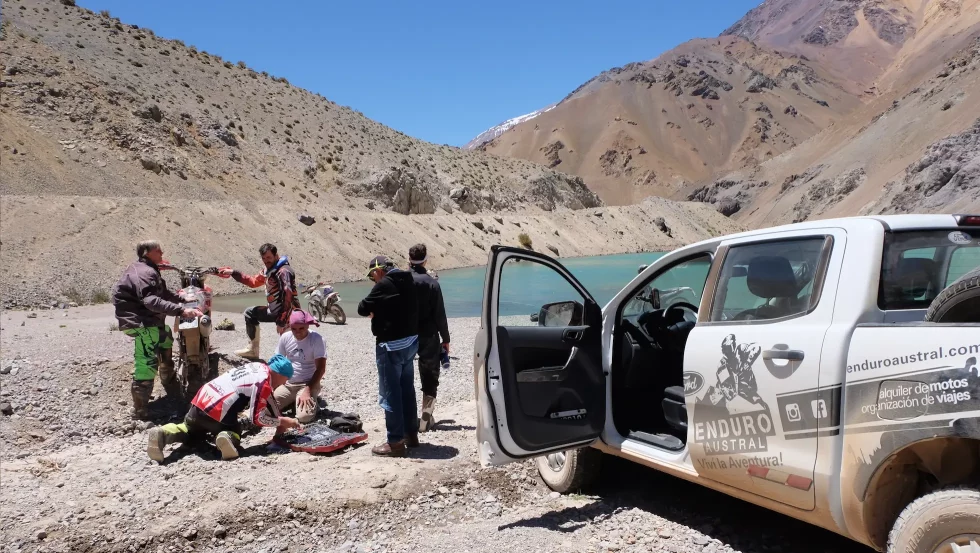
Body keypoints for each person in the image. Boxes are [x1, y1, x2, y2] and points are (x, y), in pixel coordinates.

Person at [146, 354, 303, 463]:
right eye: (285, 380)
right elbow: (257, 418)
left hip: (200, 401)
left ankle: (162, 433)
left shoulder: (258, 367)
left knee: (189, 429)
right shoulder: (264, 382)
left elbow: (269, 400)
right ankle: (227, 437)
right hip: (219, 411)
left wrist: (281, 420)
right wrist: (282, 421)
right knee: (235, 428)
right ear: (281, 374)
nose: (283, 384)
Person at [112, 240, 203, 420]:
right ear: (146, 252)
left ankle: (170, 386)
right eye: (158, 251)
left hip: (150, 320)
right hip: (141, 322)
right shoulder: (144, 272)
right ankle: (140, 412)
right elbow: (150, 300)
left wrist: (182, 299)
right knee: (146, 364)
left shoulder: (149, 269)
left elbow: (163, 294)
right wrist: (182, 310)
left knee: (166, 338)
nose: (162, 253)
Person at [358, 255, 420, 457]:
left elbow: (362, 308)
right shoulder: (409, 279)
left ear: (378, 271)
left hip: (390, 346)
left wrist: (376, 309)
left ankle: (395, 442)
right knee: (407, 390)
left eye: (371, 276)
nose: (372, 280)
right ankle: (411, 434)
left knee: (391, 393)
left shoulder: (383, 284)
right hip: (411, 342)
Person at [219, 243, 300, 360]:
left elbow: (288, 296)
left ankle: (298, 368)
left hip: (290, 313)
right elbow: (253, 282)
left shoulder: (283, 271)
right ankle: (252, 350)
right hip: (274, 310)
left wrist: (281, 322)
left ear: (276, 255)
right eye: (263, 258)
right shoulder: (268, 270)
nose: (266, 260)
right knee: (250, 313)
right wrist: (233, 272)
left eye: (269, 257)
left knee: (289, 346)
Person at [407, 244, 450, 432]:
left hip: (405, 335)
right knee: (430, 376)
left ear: (409, 259)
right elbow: (440, 314)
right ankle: (426, 414)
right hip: (429, 335)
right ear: (426, 260)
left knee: (404, 375)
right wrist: (446, 339)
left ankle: (406, 415)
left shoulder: (403, 281)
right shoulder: (433, 283)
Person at [273, 310, 327, 423]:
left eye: (301, 328)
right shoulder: (285, 337)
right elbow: (277, 363)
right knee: (265, 408)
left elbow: (321, 368)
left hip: (308, 384)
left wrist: (307, 390)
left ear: (307, 325)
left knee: (304, 417)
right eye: (294, 329)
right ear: (290, 327)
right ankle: (292, 402)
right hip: (288, 384)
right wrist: (272, 385)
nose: (298, 332)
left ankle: (310, 402)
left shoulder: (317, 339)